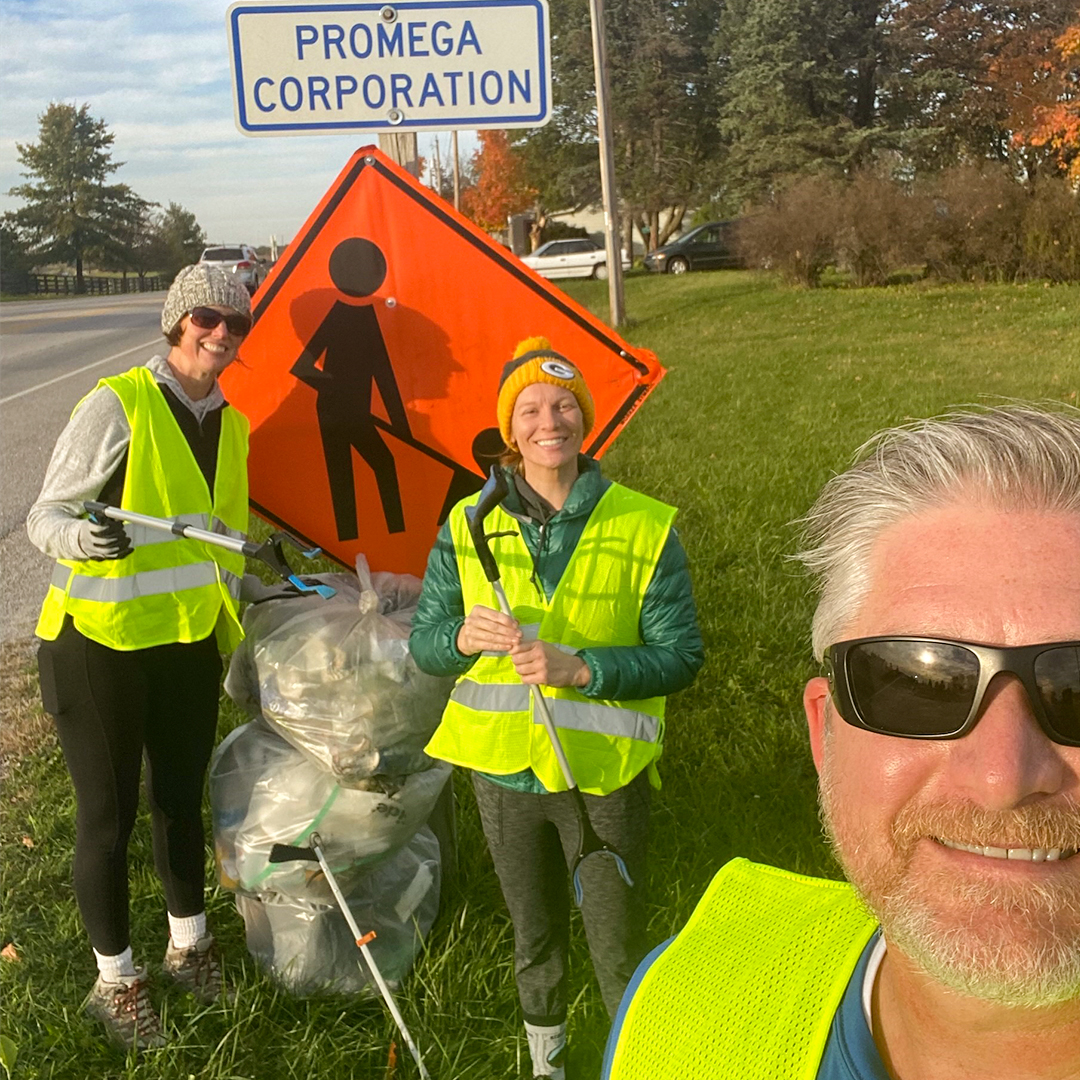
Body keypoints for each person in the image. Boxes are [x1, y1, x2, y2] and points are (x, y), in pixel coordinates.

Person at [601, 403, 1080, 1080]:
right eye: (919, 685)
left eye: (1077, 691)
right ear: (825, 734)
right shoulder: (679, 1002)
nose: (1002, 777)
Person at [410, 336, 704, 1079]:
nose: (551, 421)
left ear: (586, 420)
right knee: (533, 936)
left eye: (566, 405)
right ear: (511, 429)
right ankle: (548, 1064)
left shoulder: (644, 525)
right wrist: (459, 636)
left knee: (615, 943)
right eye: (532, 408)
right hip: (503, 778)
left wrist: (585, 668)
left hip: (600, 779)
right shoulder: (465, 528)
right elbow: (426, 646)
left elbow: (681, 656)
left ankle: (629, 1061)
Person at [27, 264, 278, 1051]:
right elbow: (47, 514)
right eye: (208, 317)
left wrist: (253, 596)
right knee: (110, 818)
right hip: (97, 645)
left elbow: (219, 544)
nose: (222, 334)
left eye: (236, 324)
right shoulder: (120, 403)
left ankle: (189, 949)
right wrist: (82, 539)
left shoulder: (231, 425)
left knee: (179, 800)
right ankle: (117, 982)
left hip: (184, 642)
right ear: (177, 321)